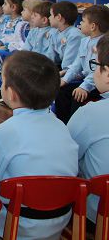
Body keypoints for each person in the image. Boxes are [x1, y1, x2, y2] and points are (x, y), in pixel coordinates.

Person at [0, 51, 79, 240]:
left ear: (11, 93)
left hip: (15, 224)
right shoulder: (62, 127)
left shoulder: (2, 134)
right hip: (59, 220)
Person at [67, 35, 109, 228]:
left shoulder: (91, 113)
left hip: (97, 214)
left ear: (107, 73)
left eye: (95, 65)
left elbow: (67, 158)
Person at [55, 4, 109, 123]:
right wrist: (65, 80)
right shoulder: (85, 41)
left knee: (78, 97)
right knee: (61, 91)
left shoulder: (103, 44)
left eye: (83, 21)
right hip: (87, 79)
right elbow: (77, 64)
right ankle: (63, 124)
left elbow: (97, 70)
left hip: (98, 84)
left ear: (93, 26)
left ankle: (74, 125)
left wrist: (84, 87)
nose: (80, 24)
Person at [49, 1, 85, 71]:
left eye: (51, 15)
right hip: (61, 68)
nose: (49, 18)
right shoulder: (55, 32)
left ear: (59, 17)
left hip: (72, 71)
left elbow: (69, 63)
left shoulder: (75, 35)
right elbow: (50, 56)